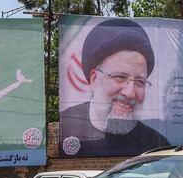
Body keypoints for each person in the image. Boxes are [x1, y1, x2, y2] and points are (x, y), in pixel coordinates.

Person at [59, 19, 168, 157]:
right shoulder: (66, 125)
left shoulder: (156, 145)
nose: (130, 93)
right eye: (120, 77)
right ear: (94, 78)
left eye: (140, 81)